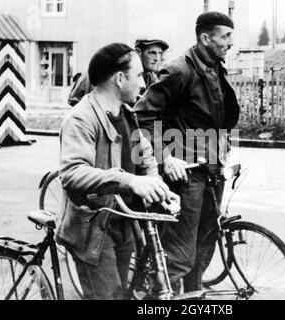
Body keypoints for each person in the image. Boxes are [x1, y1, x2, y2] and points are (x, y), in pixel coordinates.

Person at [55, 43, 176, 300]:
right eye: (140, 75)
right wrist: (128, 180)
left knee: (127, 294)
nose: (144, 84)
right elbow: (73, 173)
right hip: (93, 229)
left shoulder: (127, 115)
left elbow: (145, 157)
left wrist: (156, 186)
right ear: (120, 79)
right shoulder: (81, 119)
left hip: (123, 224)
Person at [134, 11, 240, 294]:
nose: (231, 42)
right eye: (225, 36)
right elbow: (142, 116)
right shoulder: (180, 70)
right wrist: (166, 158)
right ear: (206, 38)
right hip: (186, 176)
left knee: (205, 244)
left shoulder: (215, 67)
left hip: (212, 172)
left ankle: (192, 298)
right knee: (180, 255)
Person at [67, 39, 169, 106]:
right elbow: (76, 103)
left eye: (160, 53)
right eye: (152, 53)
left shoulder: (151, 79)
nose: (157, 58)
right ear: (138, 52)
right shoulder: (109, 74)